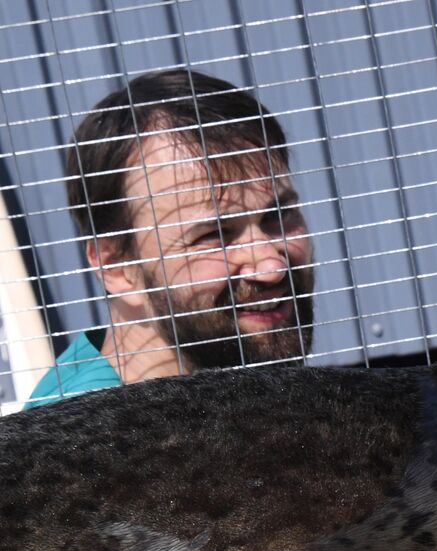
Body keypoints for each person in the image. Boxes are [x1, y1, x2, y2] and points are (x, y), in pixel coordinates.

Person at [25, 69, 314, 408]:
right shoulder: (82, 445)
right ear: (117, 266)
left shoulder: (213, 390)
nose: (271, 267)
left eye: (278, 215)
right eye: (214, 235)